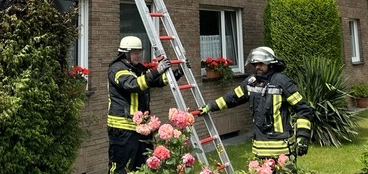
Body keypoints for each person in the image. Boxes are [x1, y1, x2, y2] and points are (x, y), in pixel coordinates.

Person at [199, 46, 313, 166]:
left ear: (270, 64)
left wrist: (303, 136)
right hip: (260, 148)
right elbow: (231, 98)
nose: (257, 66)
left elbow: (303, 109)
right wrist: (211, 106)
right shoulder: (251, 82)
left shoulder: (282, 82)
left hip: (282, 149)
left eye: (261, 63)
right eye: (255, 64)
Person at [107, 36, 181, 173]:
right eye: (135, 52)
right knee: (121, 169)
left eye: (139, 52)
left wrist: (177, 73)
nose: (138, 55)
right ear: (126, 53)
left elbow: (155, 81)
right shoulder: (116, 69)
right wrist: (157, 71)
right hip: (122, 129)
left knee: (142, 167)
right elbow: (133, 85)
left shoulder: (139, 68)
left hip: (141, 129)